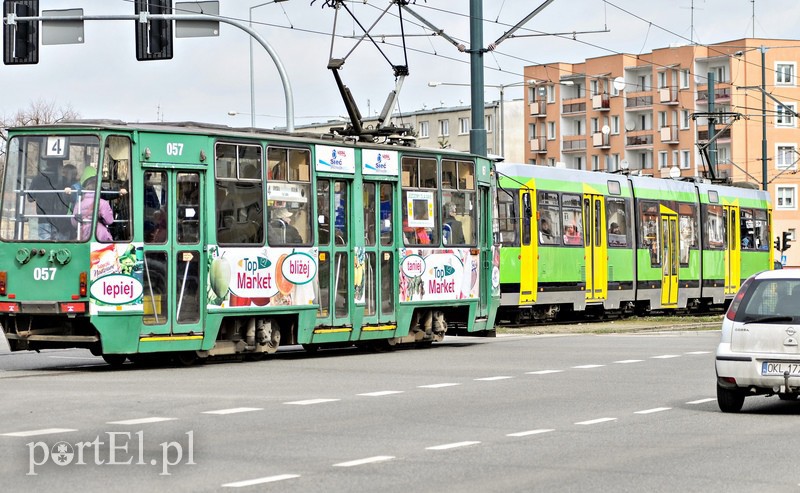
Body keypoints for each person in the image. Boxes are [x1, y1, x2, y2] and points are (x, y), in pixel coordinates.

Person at [71, 167, 114, 242]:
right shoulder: (102, 203)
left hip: (83, 235)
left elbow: (74, 223)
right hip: (100, 235)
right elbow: (109, 221)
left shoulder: (79, 203)